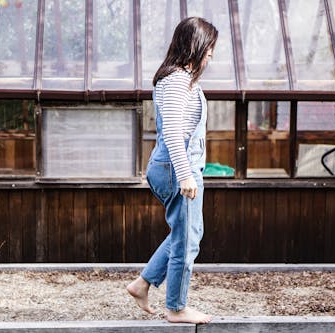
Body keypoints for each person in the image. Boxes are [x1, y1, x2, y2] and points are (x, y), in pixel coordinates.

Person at [126, 17, 218, 324]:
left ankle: (142, 284)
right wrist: (186, 175)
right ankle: (176, 307)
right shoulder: (177, 80)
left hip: (174, 166)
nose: (211, 56)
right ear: (195, 46)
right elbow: (175, 133)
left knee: (188, 233)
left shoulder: (179, 78)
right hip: (176, 167)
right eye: (209, 49)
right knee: (186, 241)